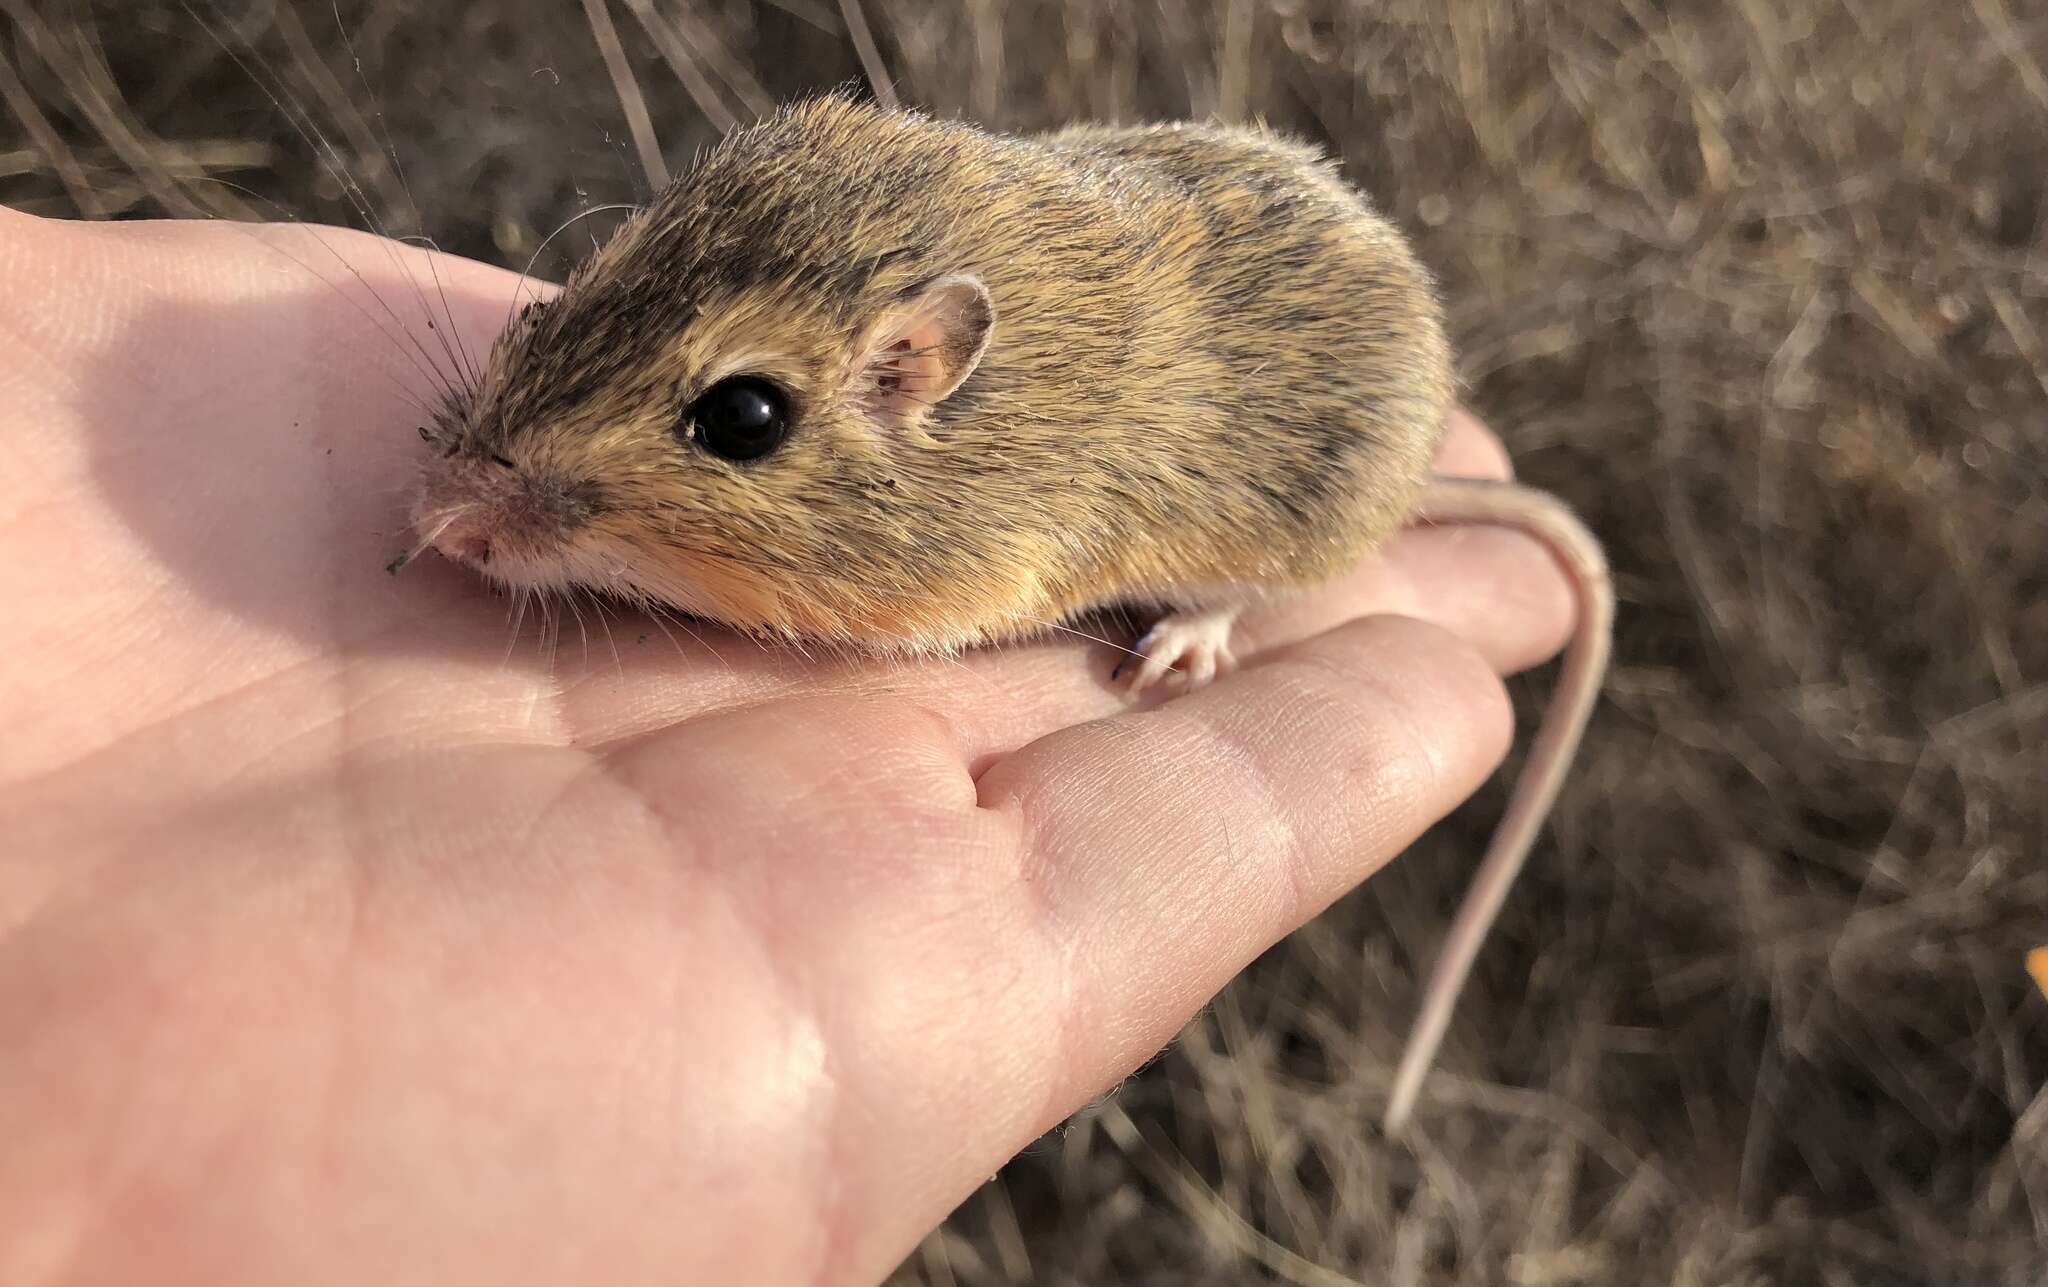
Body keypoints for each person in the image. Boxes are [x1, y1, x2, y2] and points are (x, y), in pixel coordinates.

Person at [0, 208, 1572, 1284]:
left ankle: (1224, 596)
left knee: (1257, 553)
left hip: (1312, 447)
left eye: (738, 423)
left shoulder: (983, 501)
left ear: (911, 376)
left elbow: (961, 594)